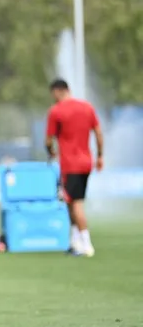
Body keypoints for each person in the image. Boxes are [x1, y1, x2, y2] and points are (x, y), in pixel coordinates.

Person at [45, 79, 103, 257]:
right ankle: (75, 241)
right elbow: (98, 132)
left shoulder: (56, 111)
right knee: (70, 201)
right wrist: (100, 155)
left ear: (57, 91)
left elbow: (48, 139)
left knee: (75, 202)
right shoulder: (87, 107)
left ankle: (86, 243)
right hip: (86, 162)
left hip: (70, 164)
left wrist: (51, 151)